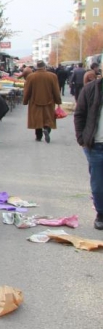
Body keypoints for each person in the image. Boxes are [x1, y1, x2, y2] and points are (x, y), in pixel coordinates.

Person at [74, 74, 103, 230]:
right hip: (96, 145)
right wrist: (81, 138)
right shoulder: (91, 89)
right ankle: (101, 214)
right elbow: (80, 114)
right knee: (98, 185)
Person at [22, 60, 62, 143]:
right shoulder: (53, 76)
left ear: (37, 67)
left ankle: (38, 136)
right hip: (49, 101)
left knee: (37, 119)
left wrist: (25, 101)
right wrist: (58, 101)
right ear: (45, 67)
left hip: (34, 101)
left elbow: (27, 90)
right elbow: (56, 90)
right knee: (48, 118)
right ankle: (47, 129)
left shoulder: (31, 77)